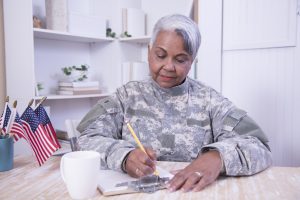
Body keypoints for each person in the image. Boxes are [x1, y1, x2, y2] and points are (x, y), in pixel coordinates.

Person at [77, 14, 272, 192]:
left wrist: (217, 158)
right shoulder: (126, 96)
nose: (168, 67)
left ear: (192, 61)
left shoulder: (211, 101)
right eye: (160, 55)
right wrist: (124, 156)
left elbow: (259, 147)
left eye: (180, 59)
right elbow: (84, 140)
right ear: (149, 51)